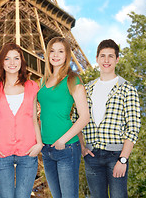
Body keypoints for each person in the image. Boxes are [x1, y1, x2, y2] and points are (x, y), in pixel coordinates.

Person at [73, 39, 141, 198]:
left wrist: (123, 159)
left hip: (116, 157)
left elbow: (133, 127)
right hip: (92, 157)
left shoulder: (127, 89)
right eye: (103, 56)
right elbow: (77, 120)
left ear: (117, 59)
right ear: (96, 58)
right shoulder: (86, 89)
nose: (106, 60)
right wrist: (82, 147)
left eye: (111, 56)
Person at [0, 43, 43, 198]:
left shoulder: (33, 86)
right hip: (1, 151)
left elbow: (33, 118)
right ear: (2, 63)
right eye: (7, 59)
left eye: (16, 58)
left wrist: (39, 143)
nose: (12, 63)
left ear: (21, 61)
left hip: (28, 150)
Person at [37, 37, 90, 198]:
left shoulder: (72, 79)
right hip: (46, 149)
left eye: (61, 51)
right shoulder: (42, 81)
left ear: (67, 55)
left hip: (66, 147)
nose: (56, 55)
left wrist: (62, 141)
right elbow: (40, 116)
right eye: (52, 51)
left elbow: (84, 117)